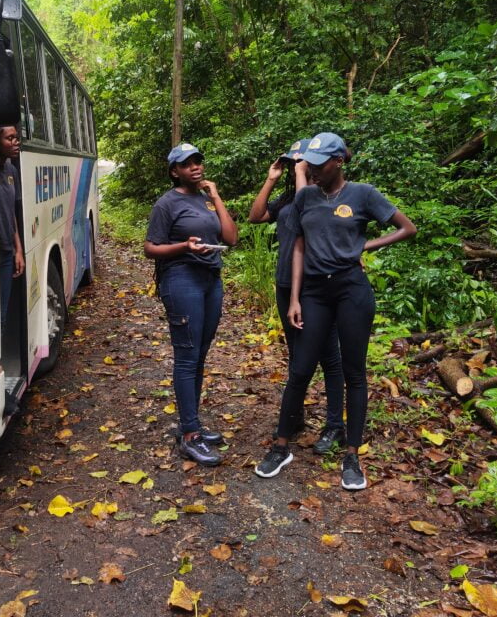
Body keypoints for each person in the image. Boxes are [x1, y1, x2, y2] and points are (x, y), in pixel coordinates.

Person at [254, 132, 416, 490]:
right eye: (308, 164)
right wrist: (295, 298)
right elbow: (298, 246)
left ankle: (352, 456)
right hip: (314, 291)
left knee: (353, 372)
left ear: (339, 161)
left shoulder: (363, 194)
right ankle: (280, 447)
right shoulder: (305, 197)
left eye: (319, 164)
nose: (311, 169)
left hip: (351, 290)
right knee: (300, 369)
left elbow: (407, 228)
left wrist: (364, 246)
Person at [249, 139, 345, 455]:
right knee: (297, 355)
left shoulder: (326, 196)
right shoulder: (290, 197)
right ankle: (295, 415)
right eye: (295, 165)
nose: (297, 169)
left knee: (329, 356)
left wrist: (303, 171)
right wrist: (272, 178)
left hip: (317, 286)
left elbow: (308, 218)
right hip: (286, 285)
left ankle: (335, 425)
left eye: (301, 163)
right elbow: (255, 216)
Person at [144, 143, 238, 466]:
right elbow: (150, 248)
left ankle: (191, 423)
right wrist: (184, 246)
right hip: (181, 279)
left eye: (198, 161)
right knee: (187, 356)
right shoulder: (166, 204)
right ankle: (189, 436)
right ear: (175, 171)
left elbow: (231, 238)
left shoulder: (206, 200)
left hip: (210, 280)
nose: (196, 167)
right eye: (187, 164)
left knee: (199, 353)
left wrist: (216, 197)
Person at [0, 125, 25, 325]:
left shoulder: (11, 170)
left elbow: (11, 212)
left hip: (6, 251)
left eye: (16, 137)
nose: (16, 142)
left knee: (2, 313)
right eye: (9, 138)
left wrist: (18, 250)